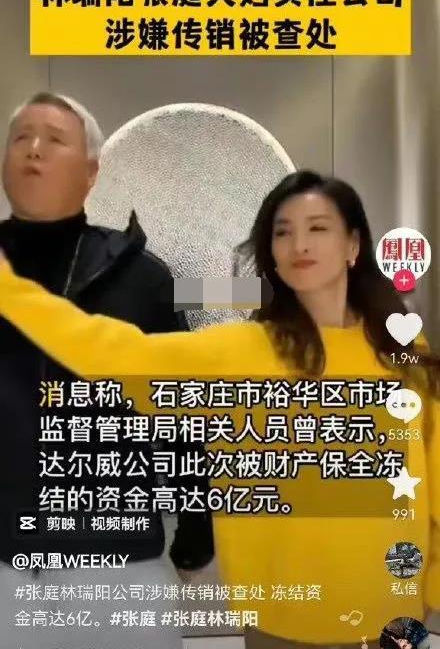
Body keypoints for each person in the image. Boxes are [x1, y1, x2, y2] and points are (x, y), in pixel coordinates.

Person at [0, 170, 438, 648]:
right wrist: (9, 289)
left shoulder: (402, 349)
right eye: (283, 232)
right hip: (284, 623)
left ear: (353, 244)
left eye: (318, 227)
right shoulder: (240, 352)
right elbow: (111, 352)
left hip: (394, 617)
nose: (299, 244)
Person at [0, 91, 213, 649]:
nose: (34, 150)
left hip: (118, 565)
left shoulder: (143, 278)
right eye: (21, 138)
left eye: (55, 139)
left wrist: (195, 536)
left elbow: (180, 415)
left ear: (92, 173)